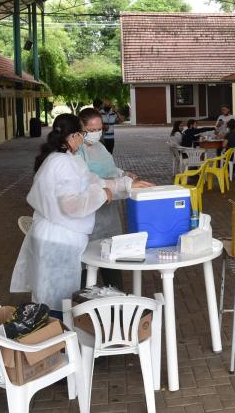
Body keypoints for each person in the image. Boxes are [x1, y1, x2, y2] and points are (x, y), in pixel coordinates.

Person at [10, 114, 133, 315]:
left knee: (51, 297)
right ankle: (60, 340)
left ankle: (57, 337)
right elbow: (71, 205)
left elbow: (92, 180)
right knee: (58, 301)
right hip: (59, 239)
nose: (84, 138)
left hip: (55, 235)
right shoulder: (63, 162)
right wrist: (102, 194)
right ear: (74, 135)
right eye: (83, 134)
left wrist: (125, 184)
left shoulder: (63, 158)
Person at [77, 107, 155, 289]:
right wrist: (124, 184)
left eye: (99, 129)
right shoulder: (77, 152)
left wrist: (124, 173)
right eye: (91, 130)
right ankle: (86, 301)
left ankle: (115, 298)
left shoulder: (101, 147)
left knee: (112, 256)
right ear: (81, 129)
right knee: (88, 261)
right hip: (90, 213)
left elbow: (110, 169)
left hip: (109, 213)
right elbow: (90, 181)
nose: (96, 133)